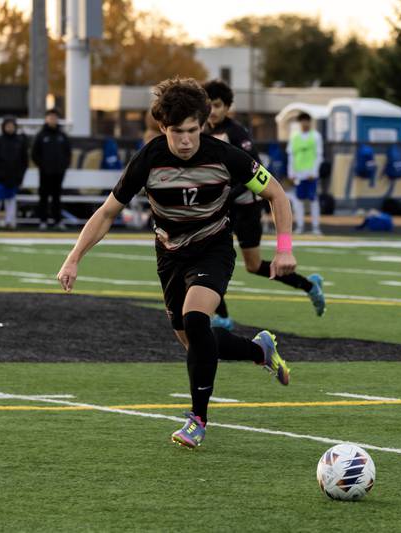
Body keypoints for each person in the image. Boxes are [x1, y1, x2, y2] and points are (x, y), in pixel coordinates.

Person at [56, 77, 296, 449]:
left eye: (192, 131)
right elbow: (106, 214)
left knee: (196, 318)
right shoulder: (149, 159)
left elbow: (277, 195)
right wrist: (73, 259)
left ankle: (197, 420)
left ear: (202, 125)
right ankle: (257, 350)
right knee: (194, 343)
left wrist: (283, 249)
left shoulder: (225, 156)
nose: (185, 140)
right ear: (162, 128)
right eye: (176, 132)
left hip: (214, 248)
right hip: (169, 255)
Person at [202, 80, 325, 330]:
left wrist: (227, 194)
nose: (212, 111)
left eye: (217, 105)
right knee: (207, 258)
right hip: (221, 208)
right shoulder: (201, 131)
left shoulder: (236, 133)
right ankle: (222, 317)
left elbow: (255, 171)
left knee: (254, 266)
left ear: (227, 107)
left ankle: (308, 285)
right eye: (209, 105)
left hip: (245, 206)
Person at [32, 108, 72, 230]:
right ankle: (43, 220)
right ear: (46, 119)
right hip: (44, 172)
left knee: (57, 197)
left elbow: (68, 153)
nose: (52, 119)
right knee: (43, 197)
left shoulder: (62, 135)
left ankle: (57, 221)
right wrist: (42, 166)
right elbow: (34, 153)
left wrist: (63, 167)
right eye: (50, 117)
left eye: (54, 117)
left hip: (58, 173)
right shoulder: (41, 135)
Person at [0, 116, 29, 229]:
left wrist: (20, 176)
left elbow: (24, 161)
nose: (10, 128)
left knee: (11, 199)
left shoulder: (20, 141)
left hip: (14, 176)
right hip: (0, 175)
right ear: (3, 127)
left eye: (12, 126)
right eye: (8, 126)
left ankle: (9, 222)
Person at [287, 112, 323, 235]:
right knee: (298, 201)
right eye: (301, 121)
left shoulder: (316, 136)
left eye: (306, 120)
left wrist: (314, 172)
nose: (304, 123)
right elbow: (291, 156)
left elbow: (319, 155)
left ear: (309, 122)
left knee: (313, 200)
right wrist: (291, 173)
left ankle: (316, 227)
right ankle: (300, 226)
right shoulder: (294, 137)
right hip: (298, 175)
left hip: (311, 174)